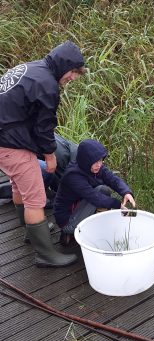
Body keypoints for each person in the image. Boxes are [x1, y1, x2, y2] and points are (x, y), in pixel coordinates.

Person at [0, 40, 86, 268]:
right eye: (73, 72)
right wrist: (49, 155)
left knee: (19, 185)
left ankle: (31, 231)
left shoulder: (32, 68)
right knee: (36, 196)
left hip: (5, 138)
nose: (73, 78)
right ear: (63, 65)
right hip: (10, 143)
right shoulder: (47, 85)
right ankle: (46, 254)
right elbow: (44, 126)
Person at [53, 139, 136, 245]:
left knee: (103, 190)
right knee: (100, 195)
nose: (99, 164)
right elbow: (95, 198)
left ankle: (97, 226)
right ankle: (69, 232)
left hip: (79, 206)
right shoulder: (73, 176)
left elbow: (112, 179)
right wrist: (119, 205)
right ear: (86, 161)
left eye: (101, 160)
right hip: (68, 220)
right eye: (95, 162)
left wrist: (126, 192)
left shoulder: (93, 167)